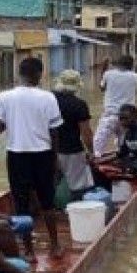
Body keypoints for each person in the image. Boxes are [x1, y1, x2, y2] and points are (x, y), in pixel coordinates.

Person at [0, 57, 65, 260]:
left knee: (21, 204)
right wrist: (55, 160)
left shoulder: (3, 97)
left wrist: (12, 121)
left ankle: (29, 252)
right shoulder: (48, 97)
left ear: (20, 74)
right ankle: (55, 246)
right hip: (43, 154)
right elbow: (55, 132)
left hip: (16, 156)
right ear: (39, 74)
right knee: (47, 202)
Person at [51, 69, 96, 197]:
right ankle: (77, 211)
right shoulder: (79, 104)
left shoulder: (48, 99)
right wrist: (91, 152)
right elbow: (86, 132)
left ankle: (50, 210)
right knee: (79, 186)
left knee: (51, 183)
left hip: (48, 149)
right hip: (72, 151)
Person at [93, 54, 137, 158]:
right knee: (123, 146)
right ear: (131, 66)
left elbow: (102, 88)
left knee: (97, 146)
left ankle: (95, 163)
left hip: (110, 115)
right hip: (128, 118)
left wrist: (104, 68)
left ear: (117, 65)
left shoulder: (108, 74)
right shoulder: (136, 77)